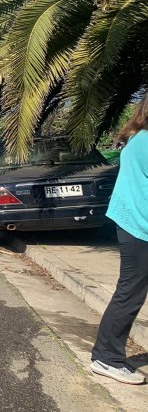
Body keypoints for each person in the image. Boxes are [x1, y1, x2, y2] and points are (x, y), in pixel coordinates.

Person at [91, 94, 148, 384]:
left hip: (133, 222)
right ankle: (106, 357)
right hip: (139, 226)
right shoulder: (146, 142)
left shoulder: (139, 138)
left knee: (130, 291)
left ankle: (105, 355)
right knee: (130, 293)